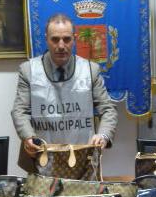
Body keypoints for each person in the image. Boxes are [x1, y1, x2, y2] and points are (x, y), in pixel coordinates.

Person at [11, 13, 118, 170]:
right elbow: (19, 111)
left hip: (83, 158)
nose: (61, 45)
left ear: (74, 39)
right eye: (55, 39)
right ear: (46, 39)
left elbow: (108, 109)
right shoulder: (28, 70)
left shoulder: (91, 70)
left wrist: (103, 135)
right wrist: (28, 137)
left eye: (66, 39)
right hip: (41, 157)